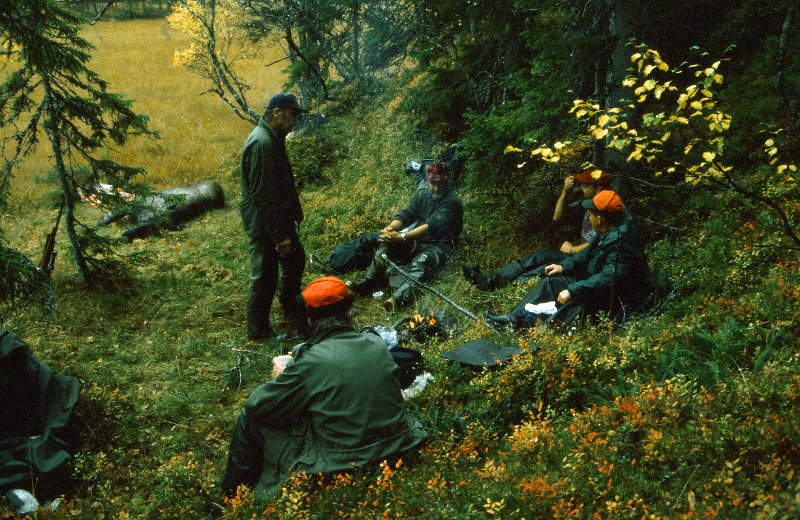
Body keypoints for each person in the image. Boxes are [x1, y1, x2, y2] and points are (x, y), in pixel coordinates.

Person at [220, 276, 427, 498]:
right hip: (398, 446)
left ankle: (233, 496)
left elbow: (257, 406)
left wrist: (280, 376)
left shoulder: (310, 362)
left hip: (342, 461)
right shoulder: (377, 344)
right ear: (349, 313)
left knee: (249, 419)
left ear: (310, 320)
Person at [484, 190, 651, 329]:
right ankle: (513, 319)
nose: (589, 218)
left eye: (590, 214)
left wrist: (573, 290)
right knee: (552, 281)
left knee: (572, 302)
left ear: (600, 218)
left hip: (617, 300)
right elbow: (585, 254)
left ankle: (533, 329)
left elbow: (610, 279)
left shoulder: (622, 241)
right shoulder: (609, 231)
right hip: (597, 286)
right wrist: (563, 266)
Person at [463, 168, 612, 291]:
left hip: (587, 264)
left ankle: (506, 287)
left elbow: (598, 245)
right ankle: (489, 280)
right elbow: (557, 216)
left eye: (585, 185)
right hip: (577, 257)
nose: (581, 188)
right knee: (538, 257)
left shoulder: (607, 211)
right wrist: (565, 191)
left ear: (597, 188)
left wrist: (572, 250)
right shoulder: (588, 204)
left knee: (544, 269)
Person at [347, 162, 464, 311]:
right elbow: (406, 215)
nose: (436, 187)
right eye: (432, 183)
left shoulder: (452, 202)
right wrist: (389, 230)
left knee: (420, 263)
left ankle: (398, 298)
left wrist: (403, 237)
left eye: (440, 183)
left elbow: (431, 226)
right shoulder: (421, 194)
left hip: (440, 245)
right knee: (386, 246)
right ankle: (367, 282)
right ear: (427, 181)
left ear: (446, 181)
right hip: (418, 240)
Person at [240, 93, 309, 341]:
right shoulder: (263, 143)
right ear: (277, 112)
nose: (295, 121)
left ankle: (290, 306)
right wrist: (280, 236)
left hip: (277, 217)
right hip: (264, 221)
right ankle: (258, 331)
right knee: (265, 274)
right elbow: (264, 196)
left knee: (295, 259)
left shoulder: (273, 137)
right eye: (292, 115)